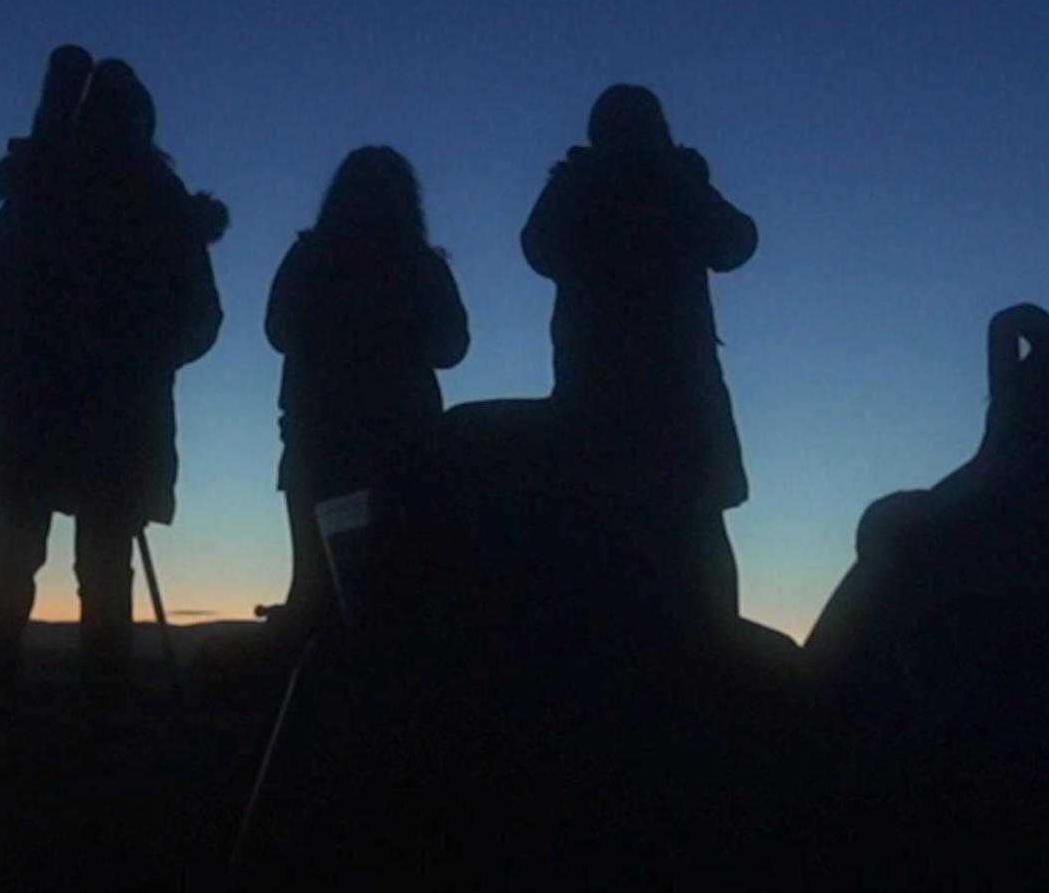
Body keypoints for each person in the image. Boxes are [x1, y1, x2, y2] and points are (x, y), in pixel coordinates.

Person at [0, 58, 225, 709]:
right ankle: (103, 706)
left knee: (14, 549)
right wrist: (141, 359)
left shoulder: (40, 192)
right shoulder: (161, 204)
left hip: (30, 402)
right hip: (119, 414)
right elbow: (202, 320)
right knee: (101, 559)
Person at [520, 84, 760, 622]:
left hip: (607, 386)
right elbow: (736, 242)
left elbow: (736, 243)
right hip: (665, 389)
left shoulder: (589, 183)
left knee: (633, 528)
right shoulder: (660, 180)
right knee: (692, 528)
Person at [262, 146, 469, 631]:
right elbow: (452, 347)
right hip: (402, 439)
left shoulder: (310, 255)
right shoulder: (420, 266)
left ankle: (314, 698)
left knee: (316, 586)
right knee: (398, 588)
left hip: (321, 437)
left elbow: (278, 331)